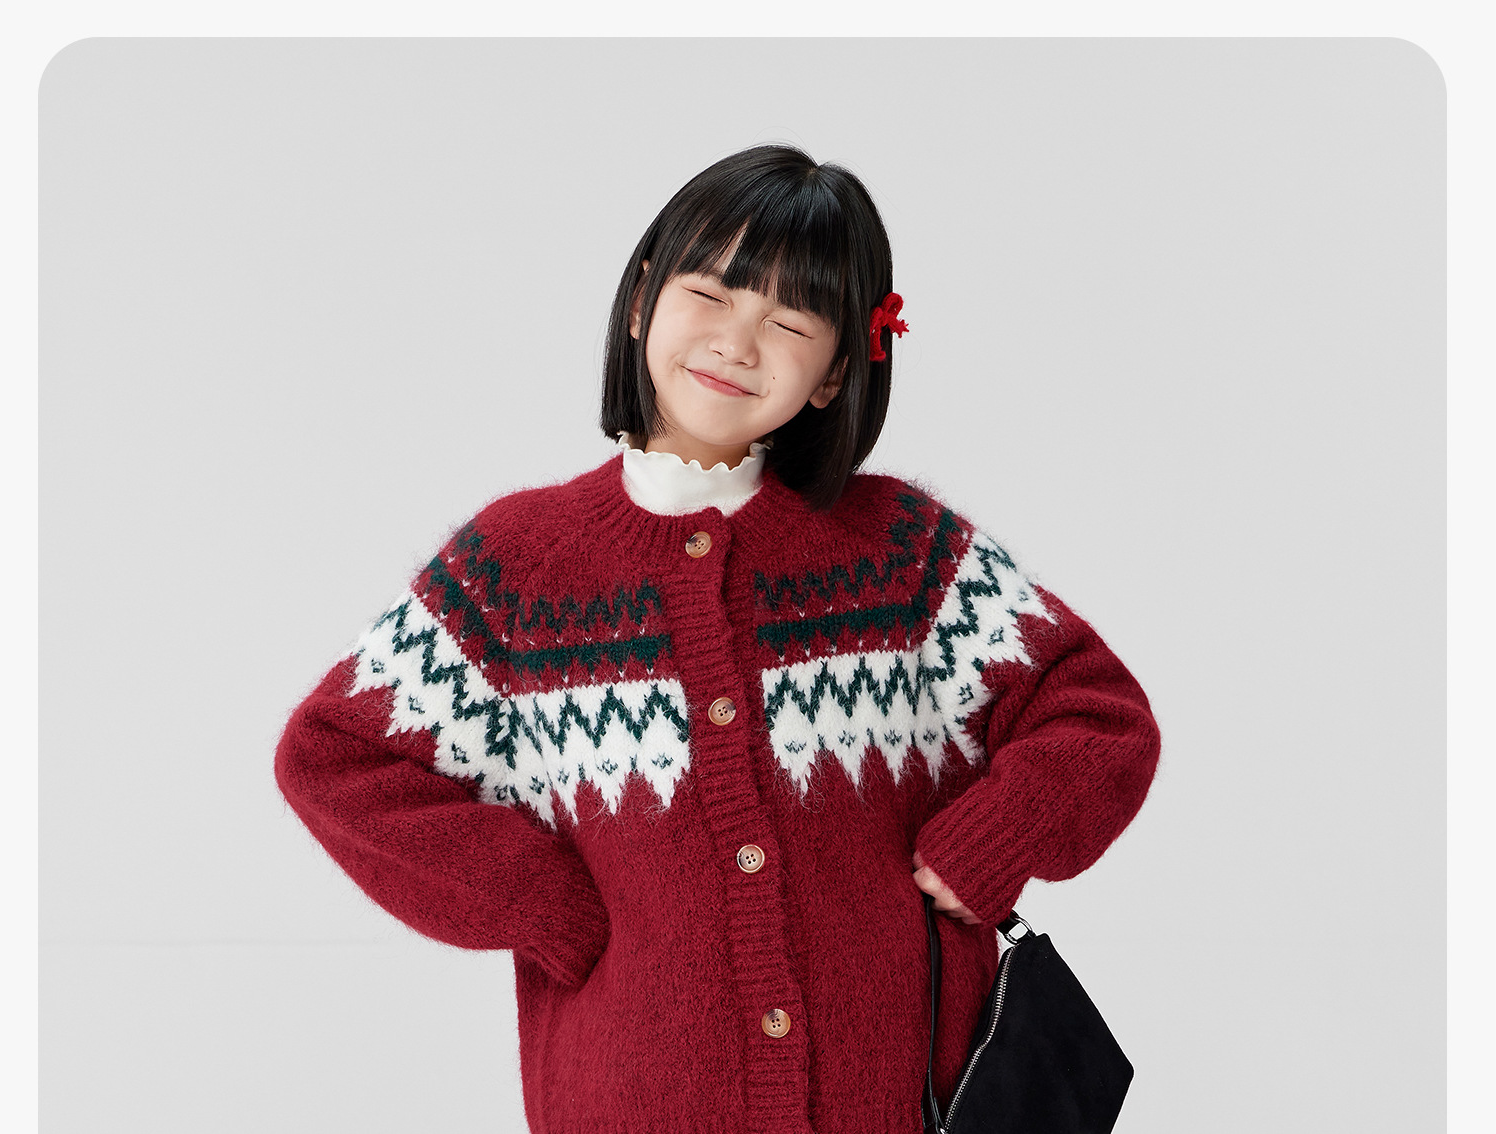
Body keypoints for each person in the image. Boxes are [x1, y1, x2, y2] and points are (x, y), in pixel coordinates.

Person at [274, 143, 1162, 1134]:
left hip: (906, 1104)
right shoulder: (518, 568)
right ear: (642, 301)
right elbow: (335, 755)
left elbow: (1095, 712)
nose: (738, 342)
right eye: (710, 293)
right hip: (636, 1102)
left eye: (790, 322)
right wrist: (535, 897)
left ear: (834, 372)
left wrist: (996, 838)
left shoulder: (899, 551)